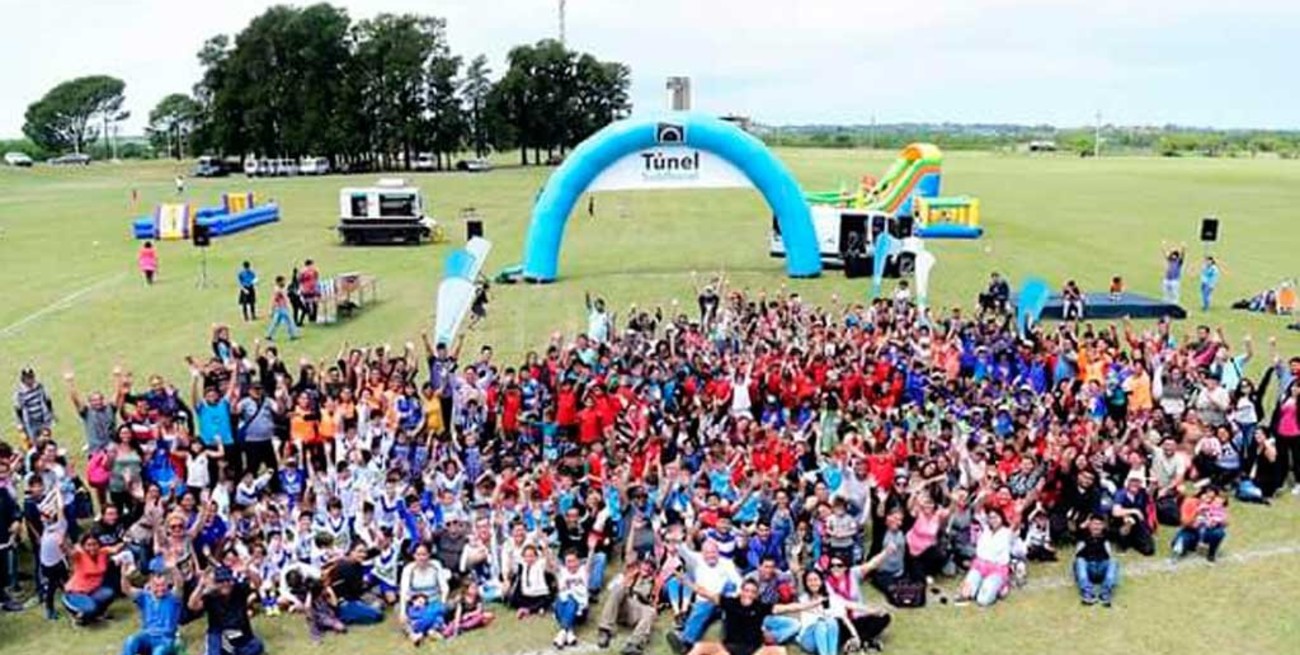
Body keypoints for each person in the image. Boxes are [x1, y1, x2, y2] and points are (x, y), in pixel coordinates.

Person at [671, 576, 823, 655]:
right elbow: (703, 592)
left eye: (753, 592)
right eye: (747, 590)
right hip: (727, 650)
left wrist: (814, 603)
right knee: (698, 647)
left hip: (754, 651)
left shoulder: (761, 607)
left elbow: (790, 607)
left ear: (756, 594)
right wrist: (685, 581)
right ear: (741, 591)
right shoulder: (729, 602)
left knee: (781, 651)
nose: (749, 594)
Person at [189, 566, 263, 655]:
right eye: (221, 581)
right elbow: (192, 606)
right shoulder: (210, 596)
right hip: (219, 634)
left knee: (257, 647)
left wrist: (248, 571)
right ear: (216, 583)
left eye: (227, 580)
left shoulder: (239, 589)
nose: (225, 584)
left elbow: (257, 583)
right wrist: (201, 586)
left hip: (242, 633)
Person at [597, 556, 659, 655]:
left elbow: (655, 603)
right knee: (619, 589)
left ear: (653, 569)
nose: (647, 567)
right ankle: (605, 630)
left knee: (651, 611)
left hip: (640, 610)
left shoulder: (655, 582)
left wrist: (647, 599)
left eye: (650, 566)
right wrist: (630, 582)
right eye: (645, 564)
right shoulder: (633, 574)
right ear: (641, 564)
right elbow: (620, 585)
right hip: (627, 605)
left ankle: (633, 644)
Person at [120, 559, 183, 655]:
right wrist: (124, 576)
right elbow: (126, 589)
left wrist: (173, 569)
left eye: (163, 585)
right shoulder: (145, 596)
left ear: (167, 585)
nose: (160, 589)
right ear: (150, 584)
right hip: (148, 635)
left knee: (159, 652)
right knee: (131, 641)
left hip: (166, 639)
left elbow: (179, 584)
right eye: (157, 586)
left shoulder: (173, 597)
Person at [1170, 486, 1229, 563]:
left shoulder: (1215, 505)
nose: (1208, 499)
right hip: (1190, 531)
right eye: (1206, 495)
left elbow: (1226, 522)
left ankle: (1211, 553)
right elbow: (1184, 523)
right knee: (1180, 544)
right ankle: (1181, 550)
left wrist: (1217, 519)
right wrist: (1197, 513)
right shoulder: (1190, 502)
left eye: (1211, 498)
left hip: (1206, 531)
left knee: (1219, 532)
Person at [1073, 514, 1118, 607]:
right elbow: (1073, 529)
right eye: (1094, 524)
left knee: (1114, 562)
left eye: (1099, 524)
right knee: (1079, 560)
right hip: (1088, 568)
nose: (1097, 526)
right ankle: (1087, 593)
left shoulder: (1107, 536)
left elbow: (1121, 533)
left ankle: (1105, 594)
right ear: (1089, 525)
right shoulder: (1082, 535)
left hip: (1101, 568)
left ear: (1103, 526)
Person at [14, 368, 55, 440]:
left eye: (31, 377)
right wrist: (20, 424)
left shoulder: (39, 387)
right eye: (27, 378)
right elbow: (18, 409)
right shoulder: (20, 392)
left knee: (47, 439)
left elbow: (47, 400)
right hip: (30, 423)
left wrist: (51, 414)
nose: (30, 380)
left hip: (43, 420)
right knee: (34, 441)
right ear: (23, 379)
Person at [266, 276, 300, 341]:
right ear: (279, 282)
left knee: (276, 322)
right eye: (283, 281)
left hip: (280, 308)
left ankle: (269, 335)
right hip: (282, 308)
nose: (284, 282)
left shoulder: (278, 289)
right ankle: (293, 335)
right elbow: (274, 300)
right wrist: (271, 309)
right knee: (289, 321)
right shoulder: (278, 290)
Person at [299, 259, 321, 324]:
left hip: (305, 290)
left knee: (307, 303)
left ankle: (310, 316)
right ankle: (314, 317)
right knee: (315, 303)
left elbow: (299, 280)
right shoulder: (314, 270)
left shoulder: (302, 272)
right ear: (310, 264)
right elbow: (317, 277)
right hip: (313, 289)